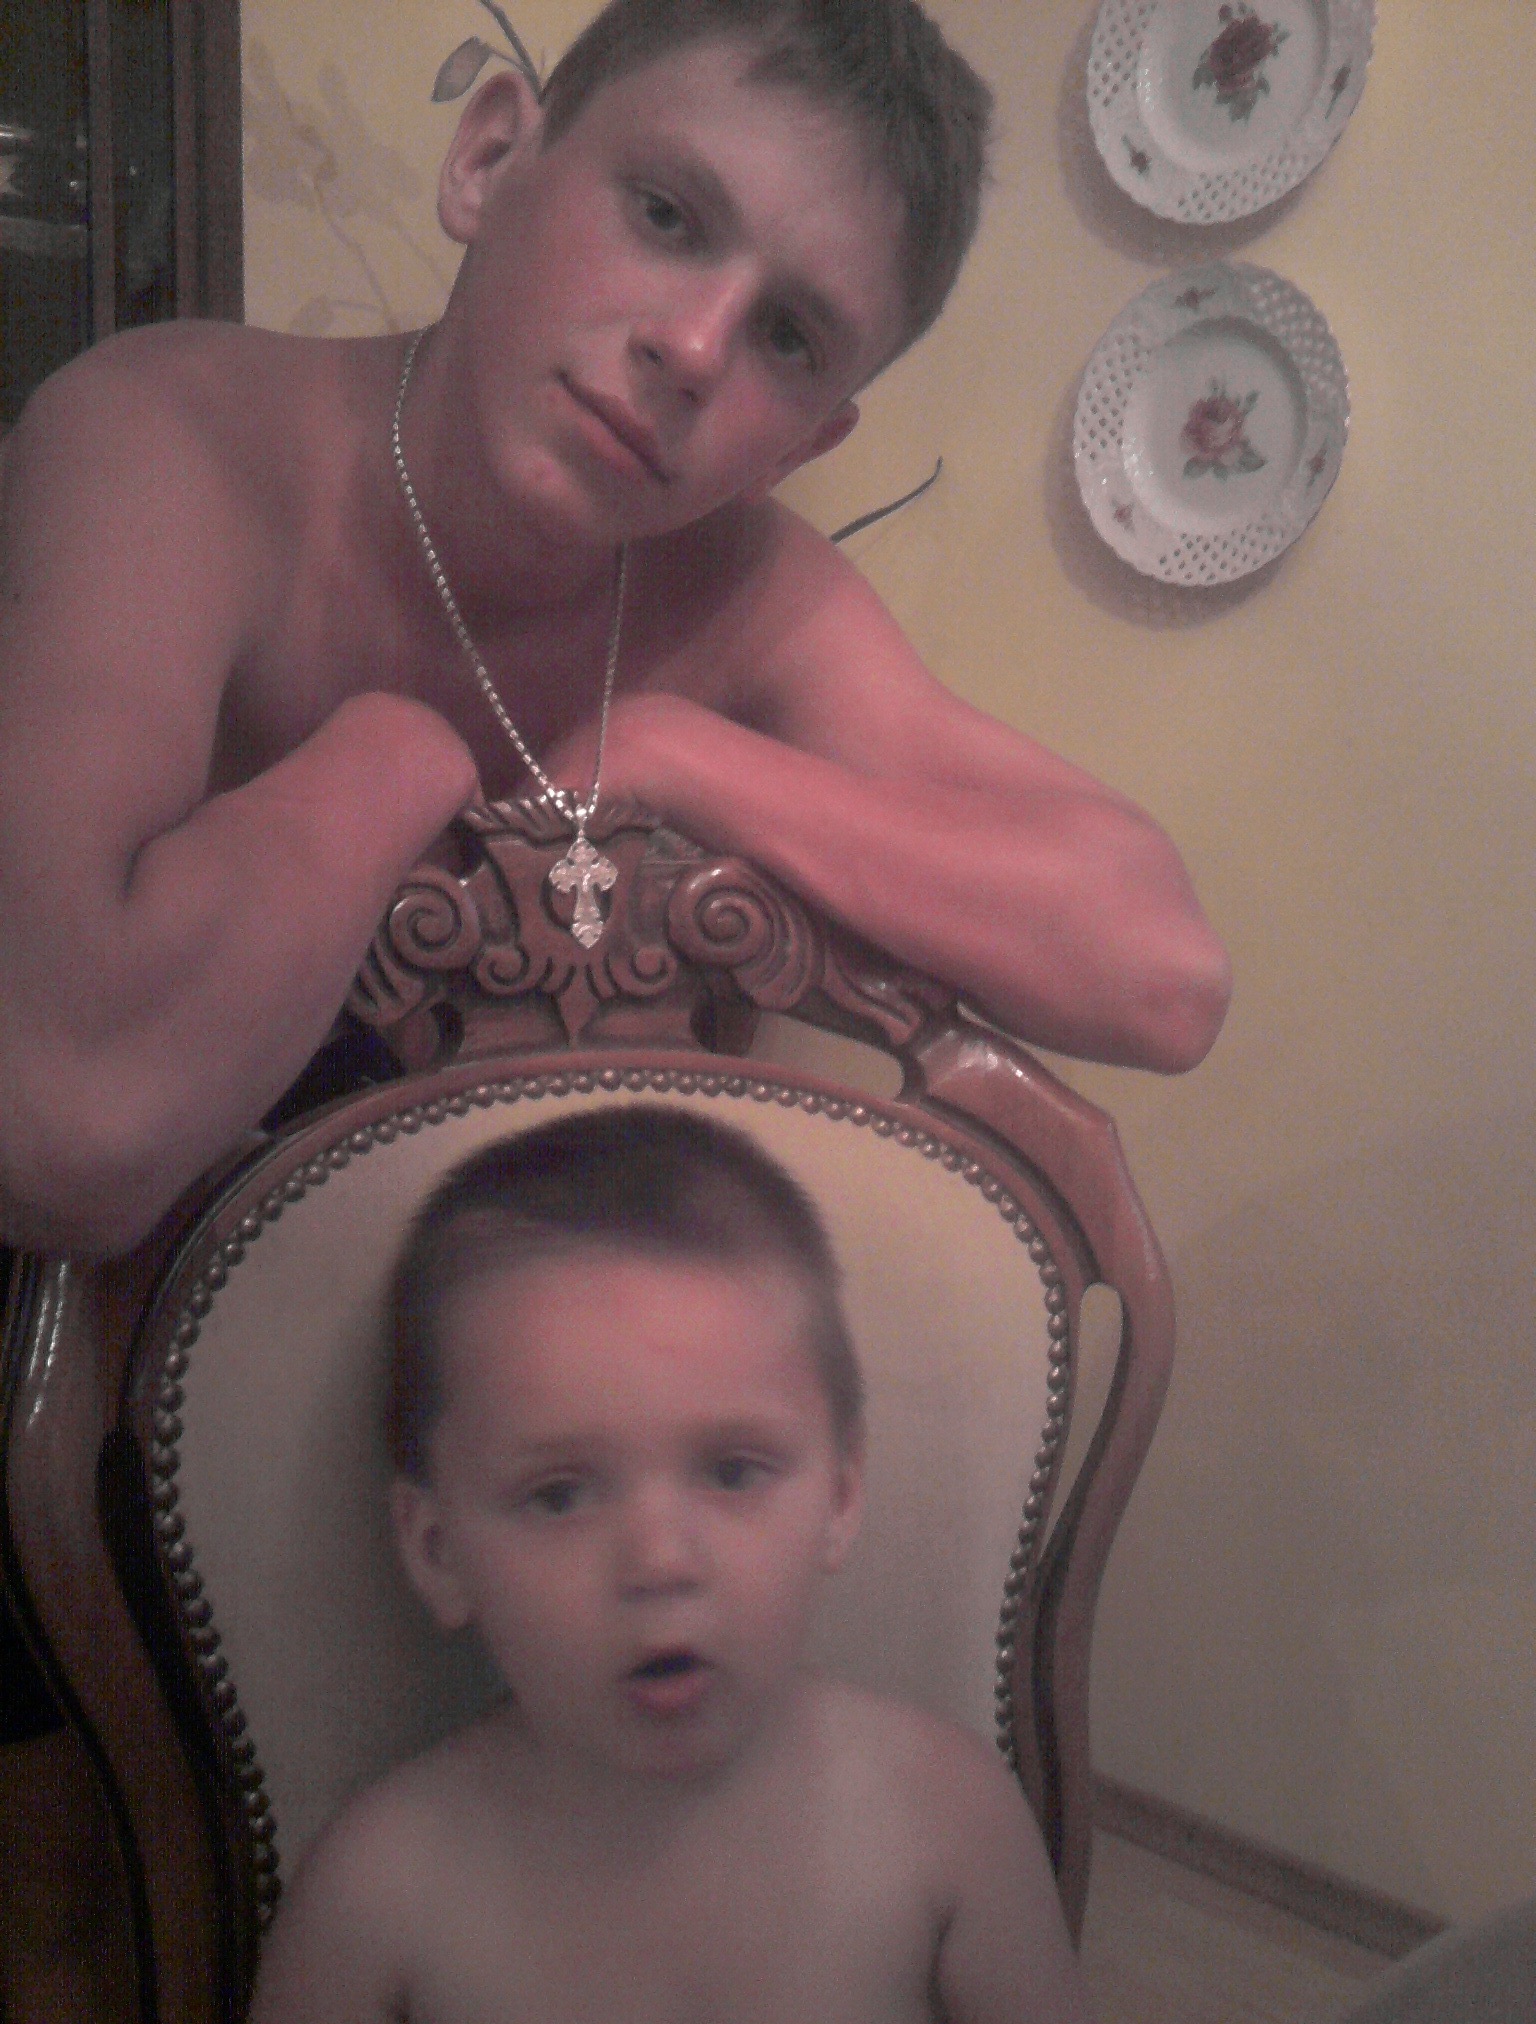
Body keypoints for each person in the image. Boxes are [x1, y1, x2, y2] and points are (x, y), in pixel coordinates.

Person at [0, 0, 1231, 1265]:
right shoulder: (174, 443)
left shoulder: (748, 594)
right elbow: (57, 1125)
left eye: (789, 336)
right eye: (665, 215)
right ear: (489, 161)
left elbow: (1161, 974)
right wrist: (393, 760)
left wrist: (673, 750)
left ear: (804, 445)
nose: (693, 348)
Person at [243, 1105, 1103, 2024]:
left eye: (733, 1472)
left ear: (840, 1495)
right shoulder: (379, 1896)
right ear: (437, 1551)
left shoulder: (947, 1817)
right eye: (560, 1495)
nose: (661, 1561)